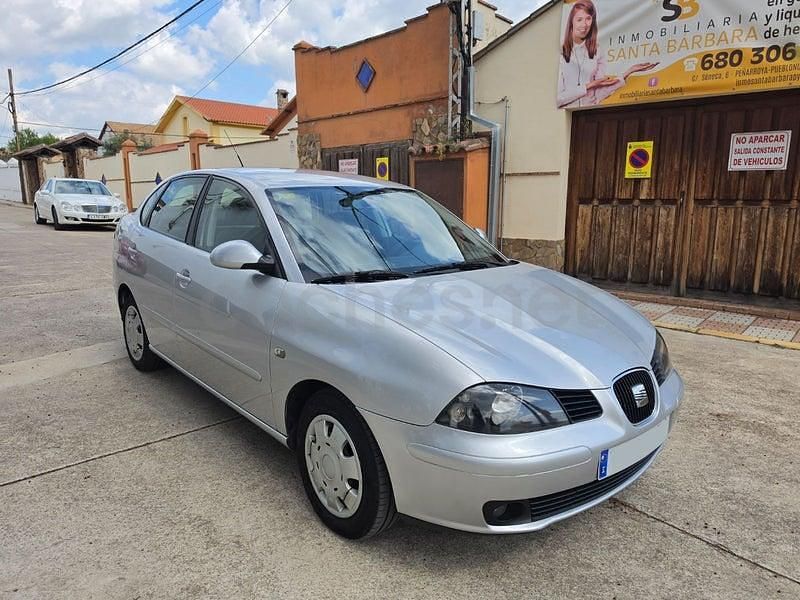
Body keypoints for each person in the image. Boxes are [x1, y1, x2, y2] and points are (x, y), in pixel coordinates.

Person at [557, 0, 656, 109]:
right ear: (571, 22)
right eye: (579, 19)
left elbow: (599, 93)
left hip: (591, 112)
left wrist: (628, 72)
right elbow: (559, 99)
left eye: (588, 19)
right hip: (568, 115)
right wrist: (588, 86)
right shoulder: (561, 52)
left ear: (593, 20)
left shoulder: (597, 51)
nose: (584, 25)